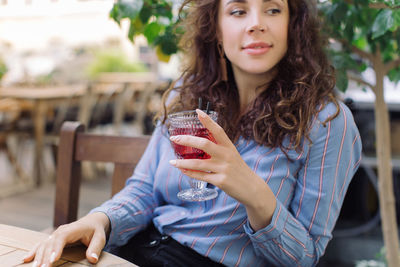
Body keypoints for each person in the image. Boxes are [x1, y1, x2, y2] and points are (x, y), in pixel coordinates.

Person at [24, 0, 362, 266]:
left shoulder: (329, 122)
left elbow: (305, 257)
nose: (257, 22)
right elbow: (144, 190)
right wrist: (101, 220)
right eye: (238, 10)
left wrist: (255, 194)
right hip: (136, 251)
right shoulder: (187, 94)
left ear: (293, 25)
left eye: (273, 9)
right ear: (216, 27)